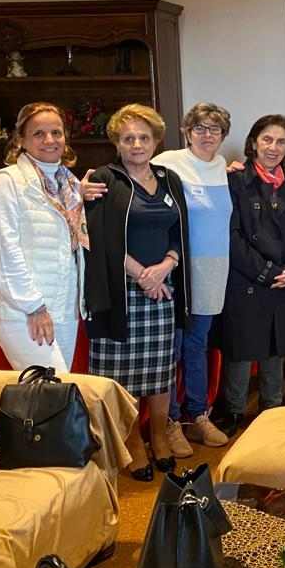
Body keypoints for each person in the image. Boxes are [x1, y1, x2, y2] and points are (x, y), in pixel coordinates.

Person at [84, 104, 190, 481]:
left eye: (144, 137)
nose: (137, 144)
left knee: (160, 369)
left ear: (156, 141)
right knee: (121, 372)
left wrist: (166, 265)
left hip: (162, 286)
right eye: (128, 138)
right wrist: (140, 273)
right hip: (120, 289)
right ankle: (130, 440)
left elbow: (179, 230)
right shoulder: (105, 178)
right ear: (117, 142)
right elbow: (96, 234)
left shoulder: (168, 178)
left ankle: (158, 435)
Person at [216, 115, 285, 434]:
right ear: (254, 143)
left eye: (281, 141)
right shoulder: (235, 181)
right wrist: (267, 272)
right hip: (248, 279)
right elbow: (232, 236)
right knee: (242, 351)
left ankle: (273, 411)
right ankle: (233, 412)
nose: (273, 147)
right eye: (267, 139)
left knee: (277, 348)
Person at [149, 103, 232, 455]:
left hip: (214, 269)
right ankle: (168, 421)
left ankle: (197, 415)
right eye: (199, 128)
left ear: (223, 135)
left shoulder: (225, 167)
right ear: (186, 131)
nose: (207, 135)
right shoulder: (168, 163)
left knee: (197, 344)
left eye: (215, 129)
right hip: (178, 267)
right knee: (173, 345)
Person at [0, 102, 86, 373]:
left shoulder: (70, 184)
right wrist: (34, 307)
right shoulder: (6, 181)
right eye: (39, 133)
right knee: (51, 387)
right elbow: (5, 251)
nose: (50, 140)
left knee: (56, 391)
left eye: (56, 132)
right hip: (22, 310)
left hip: (63, 307)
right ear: (21, 140)